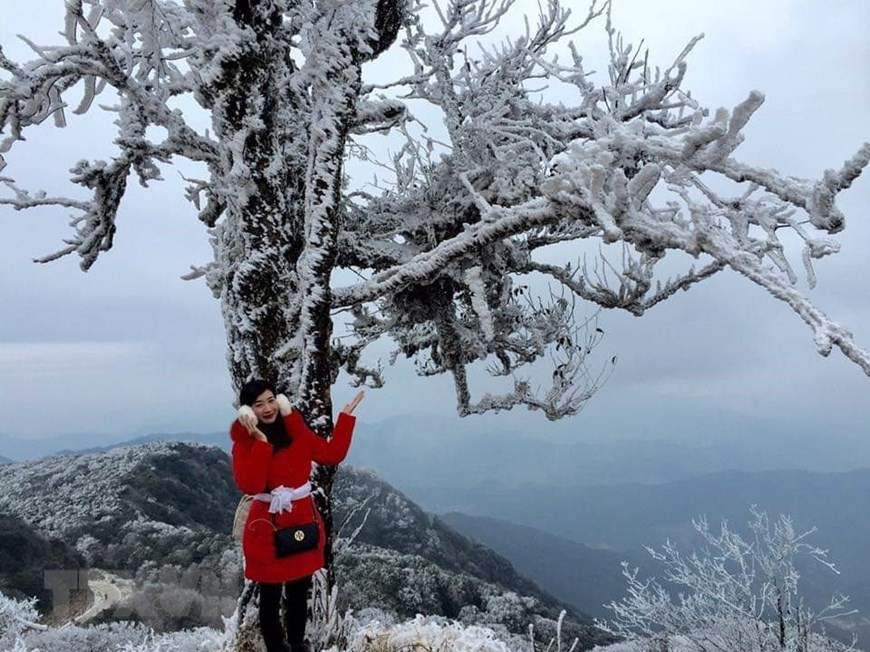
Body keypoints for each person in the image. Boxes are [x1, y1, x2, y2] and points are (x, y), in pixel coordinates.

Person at [230, 379, 364, 652]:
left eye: (271, 400)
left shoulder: (296, 430)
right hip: (267, 525)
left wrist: (345, 418)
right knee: (269, 596)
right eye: (259, 404)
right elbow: (251, 485)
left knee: (299, 593)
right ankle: (276, 648)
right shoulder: (244, 442)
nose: (267, 408)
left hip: (301, 520)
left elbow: (332, 454)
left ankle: (297, 644)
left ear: (279, 401)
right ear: (248, 410)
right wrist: (261, 441)